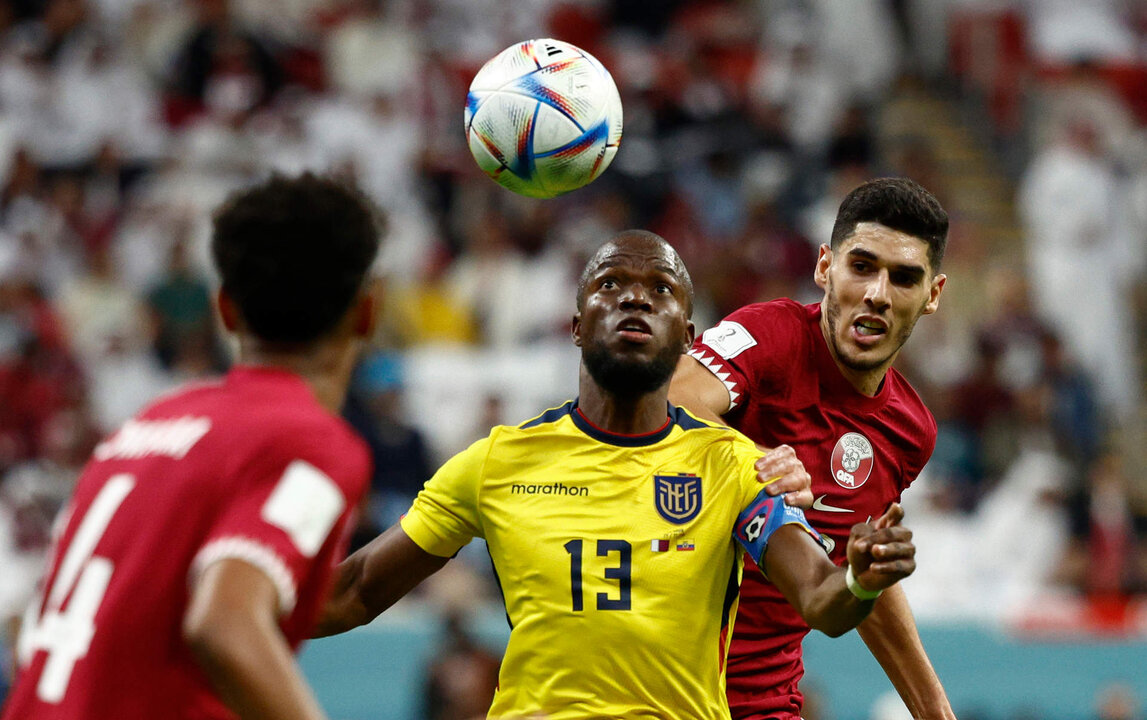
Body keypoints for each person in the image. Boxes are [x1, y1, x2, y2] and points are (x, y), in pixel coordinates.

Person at [317, 230, 918, 719]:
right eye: (611, 285)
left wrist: (860, 578)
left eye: (661, 288)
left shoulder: (732, 467)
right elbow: (354, 591)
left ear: (686, 337)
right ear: (577, 325)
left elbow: (820, 598)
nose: (635, 298)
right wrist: (238, 602)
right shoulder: (497, 461)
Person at [2, 172, 383, 720]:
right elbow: (224, 624)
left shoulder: (144, 429)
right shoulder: (312, 443)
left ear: (224, 309)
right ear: (368, 312)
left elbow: (37, 637)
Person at [669, 177, 956, 719]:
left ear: (932, 295)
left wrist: (935, 711)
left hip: (764, 704)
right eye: (862, 266)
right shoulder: (769, 338)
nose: (877, 292)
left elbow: (856, 571)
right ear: (825, 267)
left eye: (904, 277)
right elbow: (670, 404)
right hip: (658, 690)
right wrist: (756, 463)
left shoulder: (910, 432)